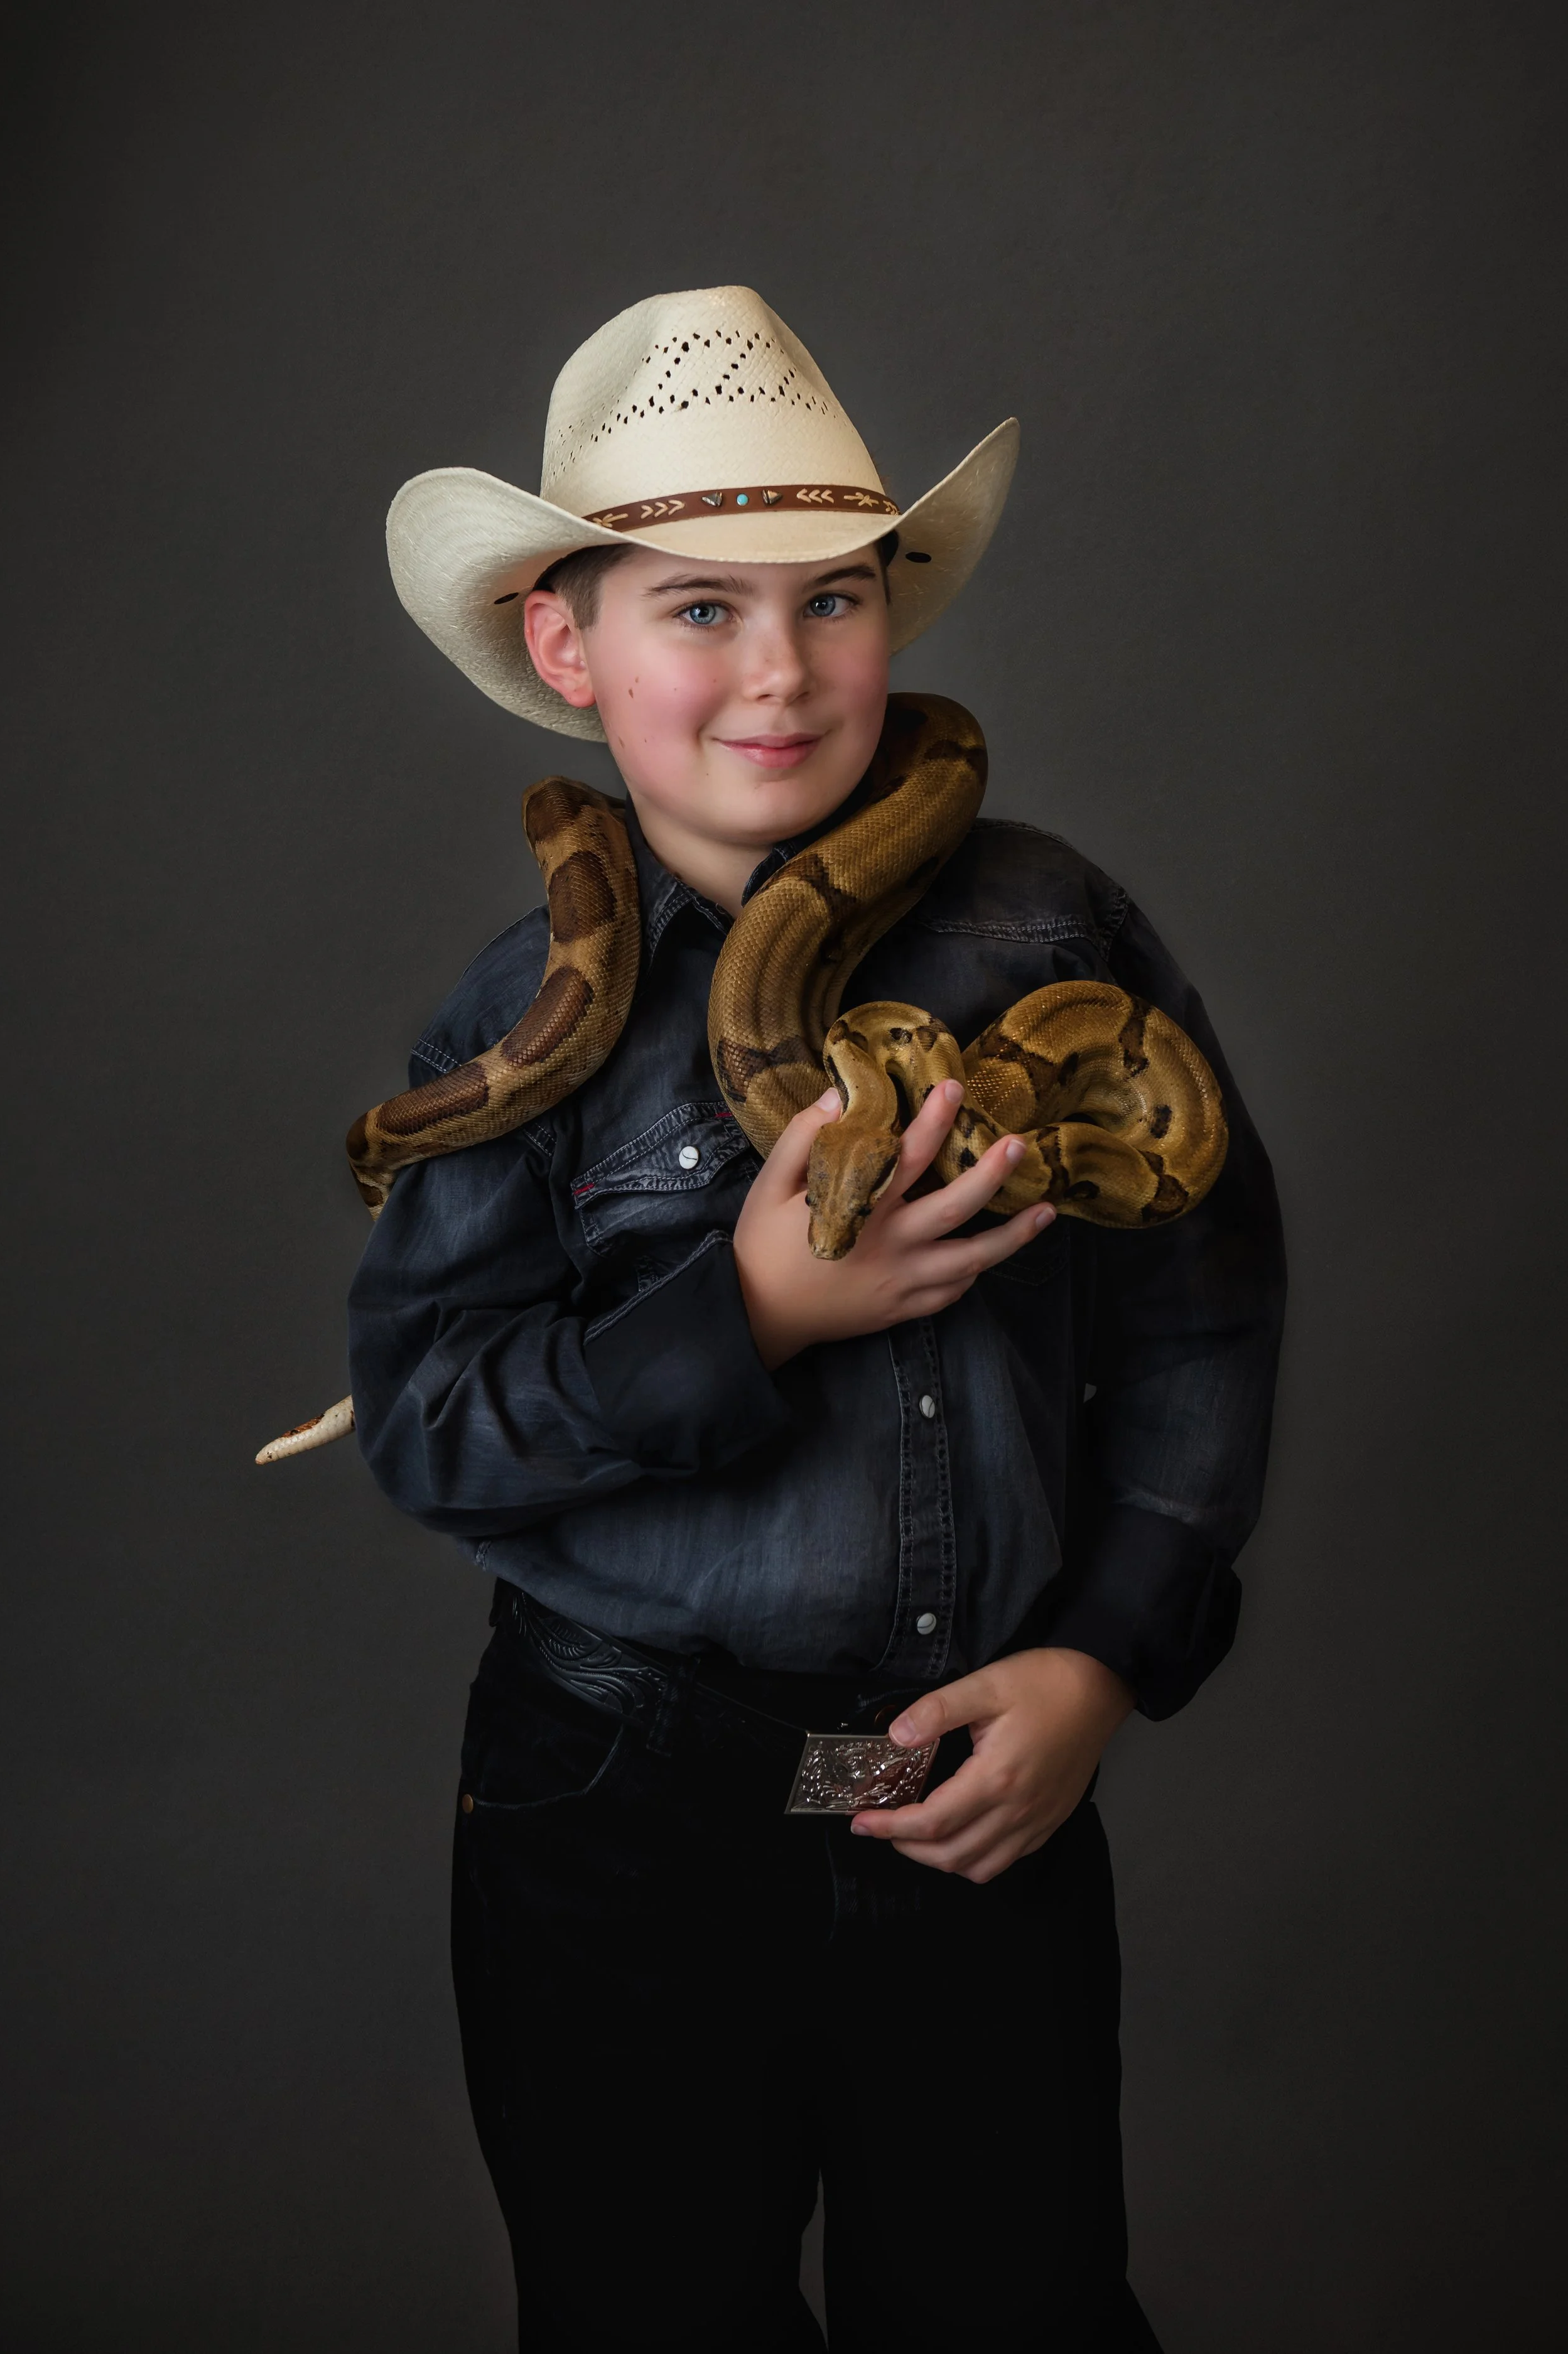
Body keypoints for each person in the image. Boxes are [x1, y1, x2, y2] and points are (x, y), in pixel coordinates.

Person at [347, 286, 1285, 2351]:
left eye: (835, 598)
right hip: (619, 1809)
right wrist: (750, 1310)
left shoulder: (1046, 925)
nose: (779, 669)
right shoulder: (517, 1025)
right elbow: (424, 1417)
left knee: (1019, 2307)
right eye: (699, 608)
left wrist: (1107, 1658)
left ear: (894, 621)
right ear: (566, 643)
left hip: (972, 1781)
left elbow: (1206, 1317)